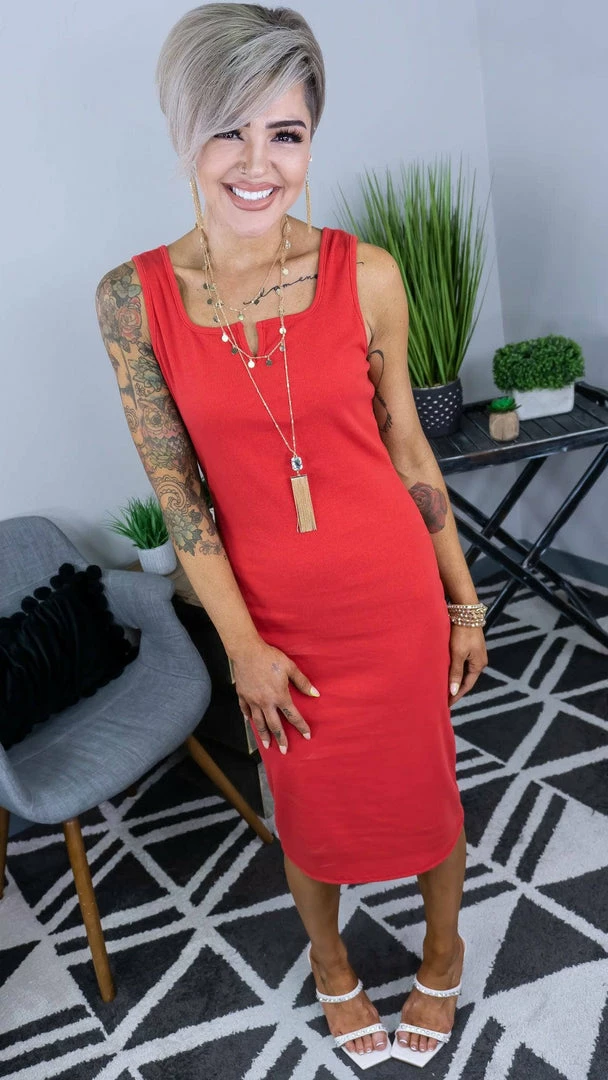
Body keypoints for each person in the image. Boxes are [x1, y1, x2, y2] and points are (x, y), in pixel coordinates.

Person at [95, 3, 488, 1068]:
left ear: (311, 139)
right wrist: (242, 646)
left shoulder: (367, 274)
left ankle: (442, 952)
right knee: (307, 813)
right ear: (185, 133)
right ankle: (331, 963)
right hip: (272, 621)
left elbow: (409, 450)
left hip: (391, 597)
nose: (257, 163)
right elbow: (179, 497)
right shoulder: (132, 302)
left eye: (286, 133)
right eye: (228, 130)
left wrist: (460, 599)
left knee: (426, 792)